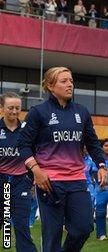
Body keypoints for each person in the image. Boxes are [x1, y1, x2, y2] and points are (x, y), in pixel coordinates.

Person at [17, 66, 108, 251]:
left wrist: (101, 166)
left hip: (77, 181)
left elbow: (92, 143)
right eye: (64, 81)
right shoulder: (38, 112)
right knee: (52, 236)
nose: (70, 85)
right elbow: (23, 145)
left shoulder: (81, 112)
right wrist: (36, 171)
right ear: (51, 86)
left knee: (83, 228)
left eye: (71, 81)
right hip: (49, 182)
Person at [0, 92, 37, 251]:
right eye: (10, 108)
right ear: (2, 108)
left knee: (22, 227)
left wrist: (33, 181)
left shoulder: (26, 130)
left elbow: (34, 155)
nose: (14, 111)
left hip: (21, 183)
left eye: (17, 108)